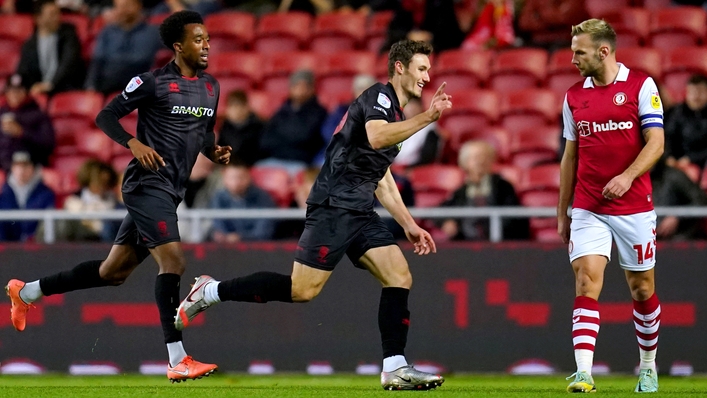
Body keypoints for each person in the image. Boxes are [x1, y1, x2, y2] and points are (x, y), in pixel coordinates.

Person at [174, 39, 452, 391]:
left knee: (398, 274)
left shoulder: (395, 112)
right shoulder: (378, 99)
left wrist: (408, 223)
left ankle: (394, 366)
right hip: (334, 204)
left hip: (360, 208)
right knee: (302, 290)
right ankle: (209, 290)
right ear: (400, 67)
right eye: (422, 68)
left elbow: (379, 174)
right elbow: (377, 137)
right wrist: (428, 117)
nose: (427, 76)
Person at [6, 11, 231, 383]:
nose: (205, 45)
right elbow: (106, 116)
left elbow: (202, 132)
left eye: (207, 38)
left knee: (113, 273)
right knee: (173, 261)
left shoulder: (211, 87)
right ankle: (177, 358)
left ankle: (26, 292)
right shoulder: (152, 82)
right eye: (197, 39)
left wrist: (214, 152)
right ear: (178, 46)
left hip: (171, 190)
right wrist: (133, 142)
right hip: (146, 185)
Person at [558, 19, 664, 393]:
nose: (573, 59)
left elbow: (656, 143)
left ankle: (648, 366)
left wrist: (628, 176)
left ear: (603, 51)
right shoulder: (573, 96)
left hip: (634, 206)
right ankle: (584, 373)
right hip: (589, 206)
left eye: (579, 52)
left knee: (641, 289)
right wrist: (562, 211)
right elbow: (570, 156)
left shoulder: (641, 86)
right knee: (586, 280)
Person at [440, 140, 528, 241]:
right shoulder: (461, 191)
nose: (480, 161)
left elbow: (513, 216)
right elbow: (440, 211)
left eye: (485, 157)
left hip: (498, 243)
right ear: (465, 163)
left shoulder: (503, 186)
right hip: (466, 244)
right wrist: (446, 221)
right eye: (475, 158)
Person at [257, 69, 328, 176]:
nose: (299, 90)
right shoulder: (281, 111)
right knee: (257, 172)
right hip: (274, 159)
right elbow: (265, 140)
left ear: (312, 89)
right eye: (295, 85)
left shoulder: (319, 112)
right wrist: (291, 137)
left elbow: (305, 137)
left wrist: (282, 137)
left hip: (300, 163)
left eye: (303, 86)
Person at [85, 0, 162, 95]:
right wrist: (91, 86)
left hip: (140, 86)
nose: (122, 10)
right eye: (119, 7)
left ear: (138, 6)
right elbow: (97, 61)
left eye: (127, 6)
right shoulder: (107, 32)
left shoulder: (153, 33)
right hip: (107, 85)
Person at [15, 0, 85, 96]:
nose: (57, 17)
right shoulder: (29, 45)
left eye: (58, 13)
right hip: (39, 93)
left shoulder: (69, 34)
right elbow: (22, 72)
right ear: (38, 18)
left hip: (66, 89)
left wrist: (50, 84)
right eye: (52, 14)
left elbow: (68, 63)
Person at [0, 74, 56, 172]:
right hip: (4, 165)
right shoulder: (2, 113)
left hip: (28, 167)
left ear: (26, 93)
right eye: (11, 91)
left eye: (19, 91)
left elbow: (48, 145)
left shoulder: (38, 115)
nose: (14, 95)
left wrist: (22, 132)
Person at [209, 162, 276, 242]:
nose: (237, 182)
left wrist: (241, 238)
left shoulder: (263, 197)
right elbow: (218, 225)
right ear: (225, 178)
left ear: (249, 177)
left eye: (241, 177)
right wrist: (227, 236)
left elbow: (264, 229)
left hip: (256, 247)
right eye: (232, 178)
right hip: (224, 247)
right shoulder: (218, 197)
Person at [57, 159, 121, 242]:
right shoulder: (73, 201)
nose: (103, 186)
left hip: (104, 240)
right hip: (80, 239)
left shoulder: (114, 200)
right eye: (100, 182)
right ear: (89, 180)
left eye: (107, 182)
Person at [0, 151, 55, 242]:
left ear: (33, 168)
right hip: (7, 248)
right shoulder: (3, 193)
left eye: (25, 166)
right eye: (17, 166)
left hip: (38, 248)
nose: (21, 170)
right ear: (12, 168)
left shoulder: (45, 194)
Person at [650, 155, 707, 240]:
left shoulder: (674, 176)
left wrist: (677, 216)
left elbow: (701, 200)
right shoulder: (631, 180)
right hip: (645, 239)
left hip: (677, 239)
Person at [664, 74, 707, 170]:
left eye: (700, 92)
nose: (696, 96)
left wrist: (691, 159)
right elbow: (668, 137)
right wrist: (669, 157)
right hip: (678, 163)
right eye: (692, 92)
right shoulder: (677, 112)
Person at [217, 89, 264, 167]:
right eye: (232, 106)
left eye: (240, 106)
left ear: (247, 107)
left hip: (252, 165)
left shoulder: (258, 126)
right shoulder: (224, 126)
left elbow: (261, 151)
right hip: (228, 166)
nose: (236, 110)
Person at [392, 97, 440, 167]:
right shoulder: (398, 127)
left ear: (420, 106)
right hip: (395, 168)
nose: (411, 109)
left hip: (417, 169)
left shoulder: (429, 128)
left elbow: (428, 156)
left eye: (414, 105)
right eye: (408, 105)